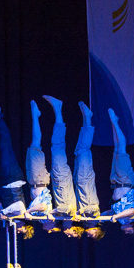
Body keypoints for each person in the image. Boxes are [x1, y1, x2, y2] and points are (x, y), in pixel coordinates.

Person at [0, 103, 35, 239]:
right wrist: (4, 212)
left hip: (4, 182)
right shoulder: (21, 212)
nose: (18, 230)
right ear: (26, 225)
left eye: (18, 232)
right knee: (5, 147)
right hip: (12, 178)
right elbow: (18, 205)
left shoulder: (11, 215)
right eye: (21, 230)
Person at [42, 96, 85, 239]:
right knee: (57, 146)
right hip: (62, 177)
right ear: (75, 229)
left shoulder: (67, 217)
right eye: (72, 235)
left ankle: (58, 110)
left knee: (57, 146)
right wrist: (51, 212)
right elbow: (64, 208)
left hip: (59, 179)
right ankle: (58, 109)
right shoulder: (69, 214)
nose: (68, 235)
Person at [73, 101, 104, 241]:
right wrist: (80, 212)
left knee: (79, 150)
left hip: (79, 181)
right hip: (85, 179)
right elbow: (93, 208)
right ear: (97, 231)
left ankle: (86, 119)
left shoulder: (86, 220)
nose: (88, 234)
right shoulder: (94, 217)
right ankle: (88, 119)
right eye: (92, 236)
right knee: (84, 149)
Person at [26, 100, 58, 233]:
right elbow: (42, 206)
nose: (48, 230)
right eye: (51, 229)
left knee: (34, 146)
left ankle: (35, 115)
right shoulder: (48, 217)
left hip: (34, 181)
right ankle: (35, 115)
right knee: (35, 144)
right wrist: (28, 211)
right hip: (39, 179)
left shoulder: (42, 220)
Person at [108, 108, 134, 235]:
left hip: (116, 181)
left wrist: (99, 217)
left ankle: (113, 124)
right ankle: (115, 122)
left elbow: (111, 212)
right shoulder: (131, 217)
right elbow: (131, 210)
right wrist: (116, 216)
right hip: (125, 180)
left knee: (117, 148)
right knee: (121, 149)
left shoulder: (122, 221)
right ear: (133, 227)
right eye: (130, 232)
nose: (127, 233)